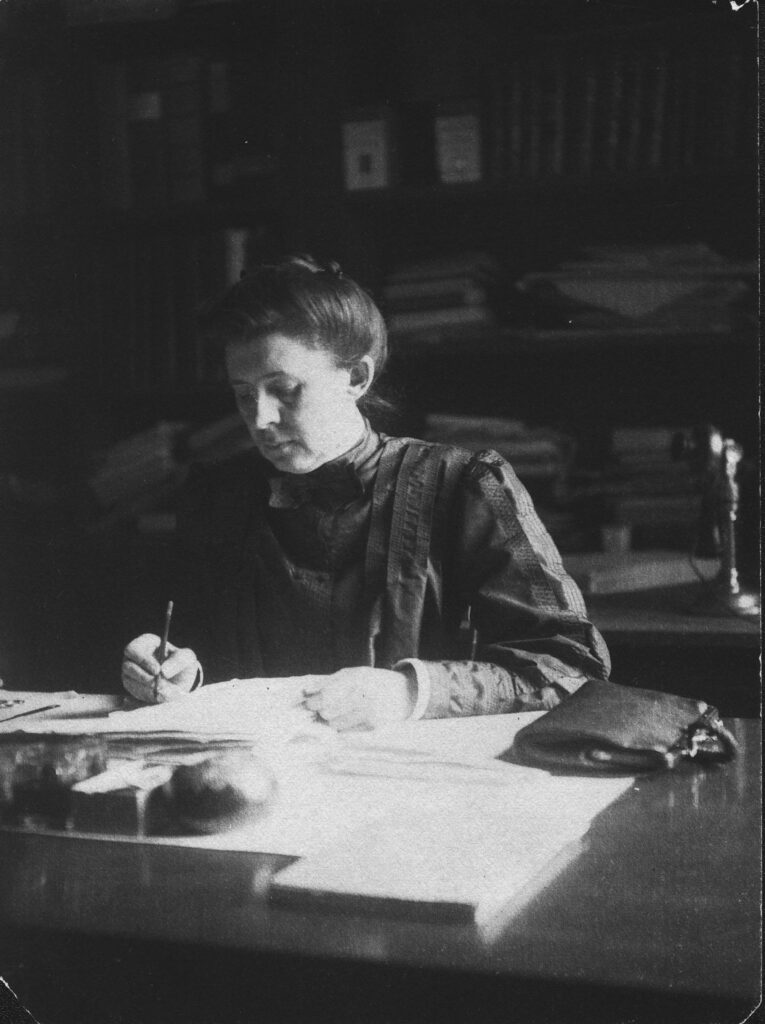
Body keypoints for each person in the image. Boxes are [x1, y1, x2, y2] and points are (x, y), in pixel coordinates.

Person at [121, 255, 610, 730]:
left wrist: (411, 692)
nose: (260, 419)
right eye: (243, 393)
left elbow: (571, 666)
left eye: (284, 389)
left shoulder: (465, 485)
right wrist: (174, 670)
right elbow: (191, 645)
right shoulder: (217, 494)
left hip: (418, 783)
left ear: (356, 377)